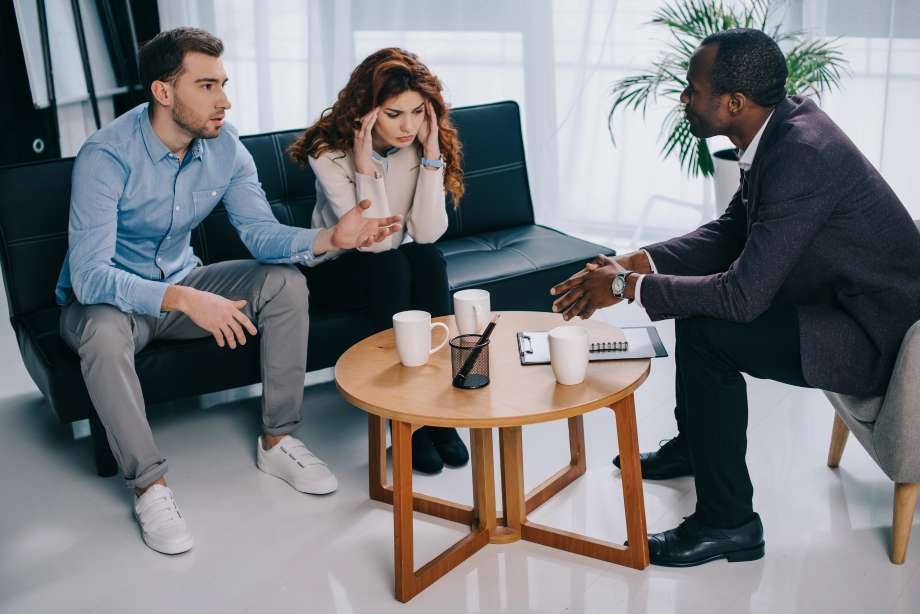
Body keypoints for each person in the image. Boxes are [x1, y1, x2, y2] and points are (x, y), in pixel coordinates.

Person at [550, 28, 920, 566]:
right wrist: (637, 263)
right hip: (843, 302)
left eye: (691, 89)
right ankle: (699, 444)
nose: (682, 98)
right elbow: (733, 228)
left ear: (733, 103)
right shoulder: (782, 128)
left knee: (709, 332)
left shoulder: (803, 156)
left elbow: (744, 297)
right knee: (699, 316)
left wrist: (625, 288)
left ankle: (730, 523)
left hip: (883, 340)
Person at [55, 27, 403, 555]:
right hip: (110, 303)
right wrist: (181, 298)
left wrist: (330, 236)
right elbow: (90, 276)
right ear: (164, 92)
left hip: (182, 284)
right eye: (207, 86)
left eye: (224, 83)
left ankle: (278, 439)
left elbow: (260, 234)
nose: (225, 100)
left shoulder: (226, 147)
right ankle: (150, 486)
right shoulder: (106, 156)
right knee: (102, 333)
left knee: (284, 281)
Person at [289, 48, 468, 474]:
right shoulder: (327, 152)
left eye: (417, 112)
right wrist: (366, 165)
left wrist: (429, 158)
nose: (408, 126)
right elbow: (373, 245)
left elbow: (425, 233)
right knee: (393, 264)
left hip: (396, 261)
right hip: (336, 269)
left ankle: (441, 408)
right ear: (367, 112)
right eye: (393, 114)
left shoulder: (422, 142)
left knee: (427, 259)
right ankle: (408, 421)